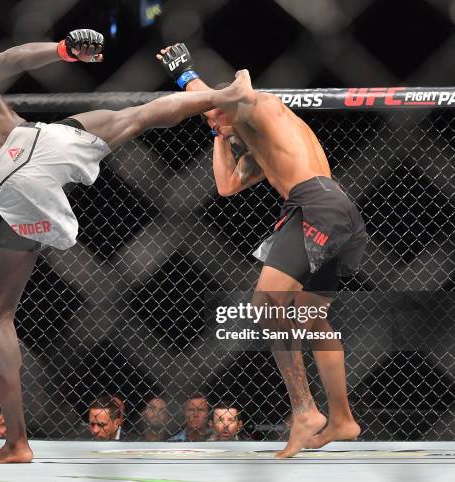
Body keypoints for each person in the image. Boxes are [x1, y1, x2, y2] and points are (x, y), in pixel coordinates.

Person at [0, 31, 248, 464]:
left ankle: (17, 444)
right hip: (41, 141)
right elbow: (14, 58)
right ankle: (231, 92)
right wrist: (63, 51)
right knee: (138, 116)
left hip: (8, 185)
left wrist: (10, 189)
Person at [157, 44, 367, 458]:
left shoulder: (264, 107)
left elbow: (237, 92)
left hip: (315, 205)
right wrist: (218, 134)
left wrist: (185, 75)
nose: (208, 115)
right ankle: (342, 419)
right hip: (333, 211)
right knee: (312, 321)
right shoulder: (256, 145)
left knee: (267, 303)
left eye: (211, 110)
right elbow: (226, 186)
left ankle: (305, 411)